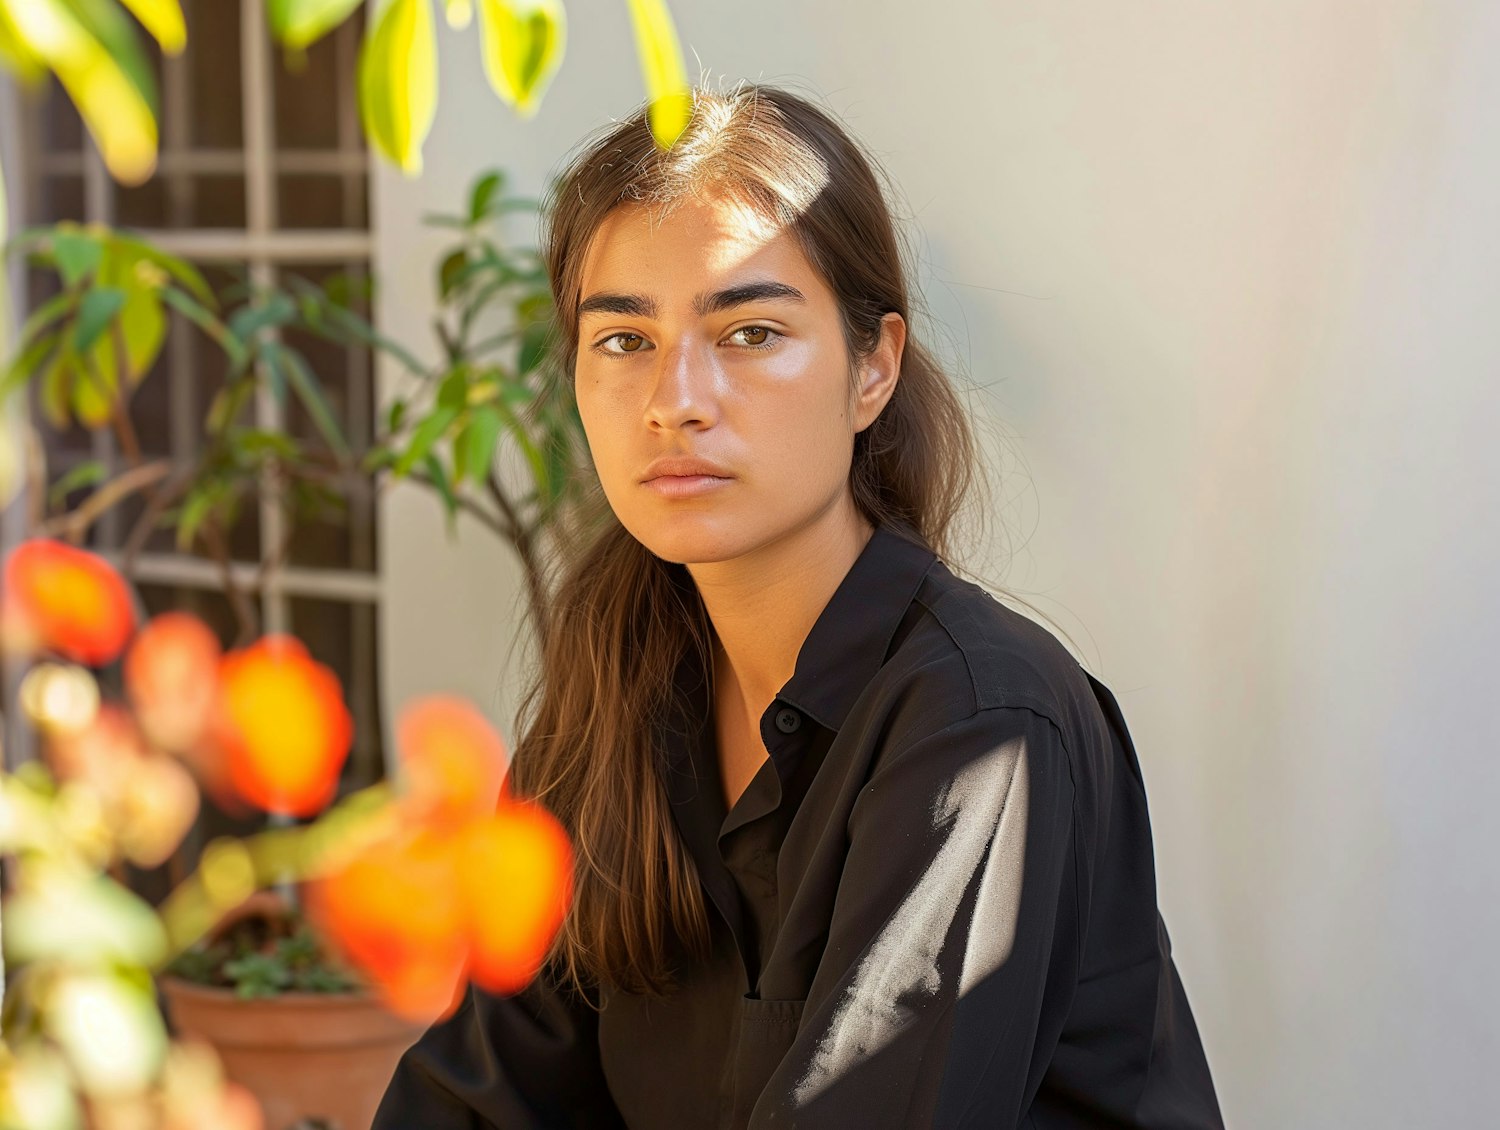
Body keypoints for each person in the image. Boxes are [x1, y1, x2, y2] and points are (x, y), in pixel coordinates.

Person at [372, 82, 1224, 1129]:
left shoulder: (981, 719)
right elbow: (477, 1095)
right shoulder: (614, 704)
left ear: (874, 368)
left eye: (750, 332)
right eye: (623, 341)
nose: (675, 398)